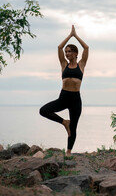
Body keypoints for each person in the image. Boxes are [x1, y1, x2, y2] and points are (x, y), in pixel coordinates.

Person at [39, 25, 89, 156]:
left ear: (75, 53)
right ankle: (64, 122)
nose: (67, 54)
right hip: (64, 97)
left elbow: (86, 48)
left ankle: (68, 152)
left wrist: (76, 36)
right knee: (43, 110)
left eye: (69, 51)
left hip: (76, 100)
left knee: (74, 127)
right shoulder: (63, 64)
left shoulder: (81, 65)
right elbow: (59, 47)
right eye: (66, 52)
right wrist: (69, 35)